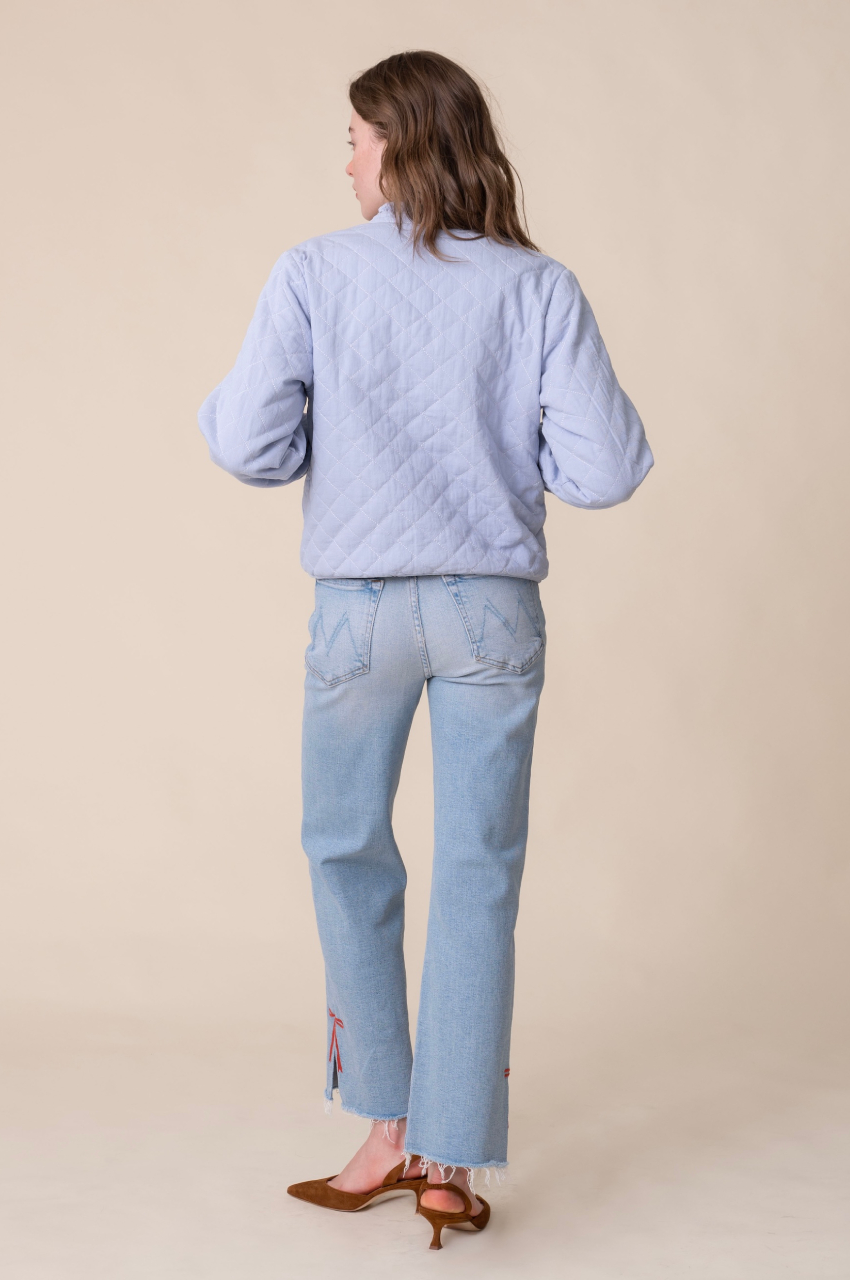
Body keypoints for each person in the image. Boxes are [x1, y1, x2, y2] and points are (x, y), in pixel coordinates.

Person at [198, 49, 652, 1251]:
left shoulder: (313, 271)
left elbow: (245, 446)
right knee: (478, 871)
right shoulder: (536, 285)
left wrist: (323, 433)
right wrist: (507, 456)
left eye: (353, 138)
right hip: (490, 609)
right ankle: (447, 1158)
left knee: (347, 850)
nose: (345, 160)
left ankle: (384, 1131)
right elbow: (605, 467)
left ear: (396, 142)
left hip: (359, 607)